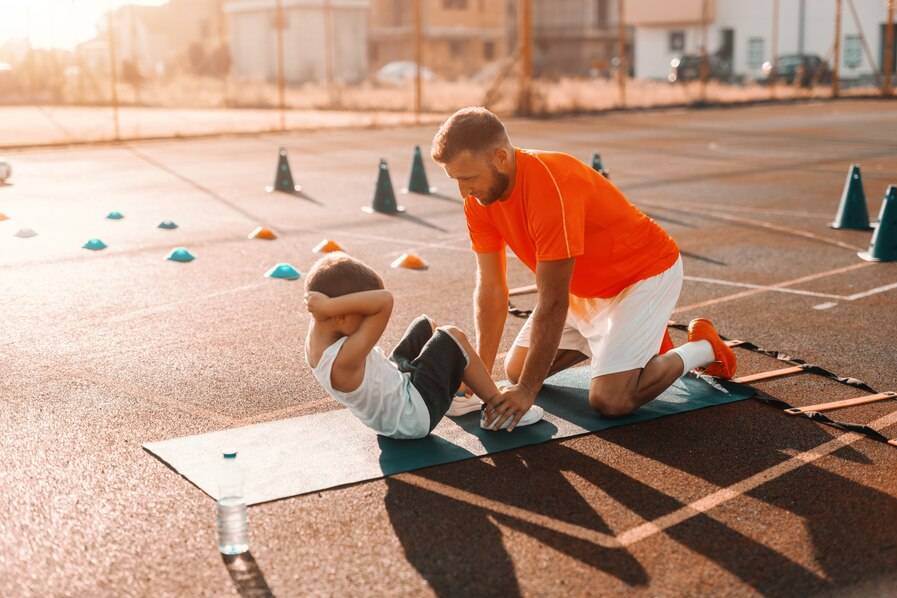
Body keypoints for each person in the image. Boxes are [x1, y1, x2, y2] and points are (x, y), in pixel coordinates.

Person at [430, 106, 737, 430]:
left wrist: (528, 392)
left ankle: (704, 347)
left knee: (611, 399)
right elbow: (491, 289)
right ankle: (624, 346)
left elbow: (553, 302)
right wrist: (480, 378)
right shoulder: (479, 200)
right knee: (516, 370)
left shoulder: (550, 188)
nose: (463, 191)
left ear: (501, 158)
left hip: (642, 276)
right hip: (585, 289)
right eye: (456, 180)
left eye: (468, 178)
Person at [304, 252, 543, 438]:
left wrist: (328, 307)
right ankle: (498, 409)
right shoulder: (343, 362)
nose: (368, 320)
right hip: (412, 417)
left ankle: (459, 396)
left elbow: (328, 287)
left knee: (425, 325)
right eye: (363, 315)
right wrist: (331, 306)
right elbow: (384, 301)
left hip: (398, 393)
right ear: (340, 316)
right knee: (452, 336)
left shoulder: (318, 336)